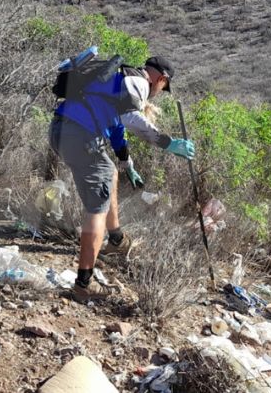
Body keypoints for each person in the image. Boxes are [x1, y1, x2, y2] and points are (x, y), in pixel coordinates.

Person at [49, 55, 195, 303]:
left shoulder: (115, 81)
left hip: (61, 131)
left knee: (110, 172)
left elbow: (117, 132)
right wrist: (167, 143)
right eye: (163, 87)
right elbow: (130, 119)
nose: (160, 92)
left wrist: (129, 166)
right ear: (161, 79)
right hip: (82, 137)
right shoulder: (138, 82)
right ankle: (83, 284)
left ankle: (116, 238)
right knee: (95, 208)